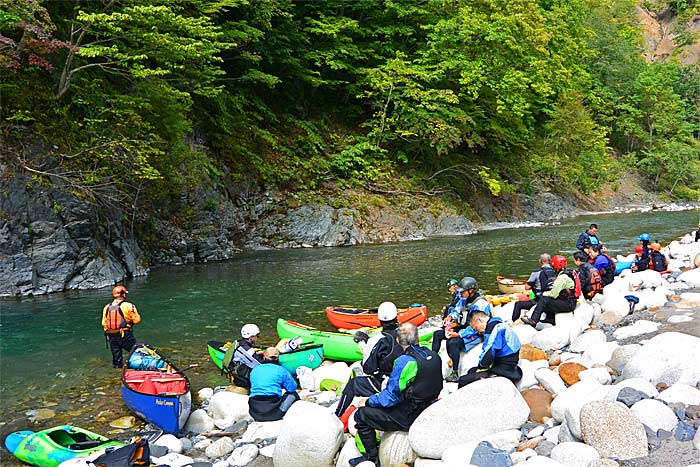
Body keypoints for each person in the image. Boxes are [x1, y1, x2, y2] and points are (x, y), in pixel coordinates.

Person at [349, 323, 443, 467]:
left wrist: (368, 401)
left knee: (361, 415)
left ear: (398, 341)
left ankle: (372, 457)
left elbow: (389, 398)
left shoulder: (405, 362)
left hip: (410, 415)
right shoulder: (433, 355)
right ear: (417, 337)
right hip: (430, 407)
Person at [334, 302, 403, 419]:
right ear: (396, 317)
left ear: (379, 320)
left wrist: (363, 347)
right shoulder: (407, 334)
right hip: (407, 382)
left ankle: (337, 415)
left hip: (386, 383)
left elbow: (368, 369)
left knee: (353, 384)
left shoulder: (378, 340)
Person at [431, 276, 491, 381]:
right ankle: (432, 361)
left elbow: (478, 327)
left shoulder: (481, 304)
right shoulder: (464, 299)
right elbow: (457, 310)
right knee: (437, 334)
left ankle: (455, 373)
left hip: (476, 332)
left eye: (462, 292)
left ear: (471, 290)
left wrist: (459, 334)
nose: (460, 294)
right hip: (464, 327)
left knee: (453, 342)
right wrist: (450, 317)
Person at [458, 311, 522, 387]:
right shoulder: (499, 323)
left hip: (503, 371)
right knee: (472, 371)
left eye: (475, 328)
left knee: (463, 380)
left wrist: (481, 366)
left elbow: (488, 355)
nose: (477, 331)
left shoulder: (492, 329)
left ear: (479, 320)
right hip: (511, 367)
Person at [521, 255, 578, 328]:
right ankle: (550, 318)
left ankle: (533, 320)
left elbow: (553, 294)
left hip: (569, 304)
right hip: (570, 301)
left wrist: (543, 294)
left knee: (544, 299)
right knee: (547, 300)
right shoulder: (567, 274)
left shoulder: (562, 278)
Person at [248, 347, 300, 421]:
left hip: (254, 412)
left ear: (264, 357)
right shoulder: (281, 370)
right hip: (275, 414)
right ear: (278, 358)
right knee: (293, 395)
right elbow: (292, 388)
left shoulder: (255, 369)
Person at [102, 285, 141, 368]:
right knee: (137, 350)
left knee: (116, 358)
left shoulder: (106, 307)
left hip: (111, 335)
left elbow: (104, 323)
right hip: (125, 334)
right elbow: (137, 320)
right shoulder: (129, 306)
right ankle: (139, 367)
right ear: (123, 295)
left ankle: (117, 371)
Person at [511, 254, 556, 322]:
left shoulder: (536, 272)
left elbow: (527, 287)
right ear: (550, 261)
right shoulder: (555, 271)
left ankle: (514, 322)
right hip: (552, 298)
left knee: (518, 304)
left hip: (539, 300)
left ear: (540, 261)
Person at [223, 323, 265, 388]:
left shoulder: (240, 343)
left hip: (237, 371)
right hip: (240, 379)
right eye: (257, 336)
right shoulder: (246, 350)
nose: (258, 338)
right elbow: (260, 363)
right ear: (251, 337)